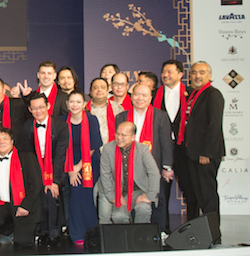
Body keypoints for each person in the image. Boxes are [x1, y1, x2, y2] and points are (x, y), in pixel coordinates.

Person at [115, 83, 173, 232]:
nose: (140, 98)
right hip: (128, 167)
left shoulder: (160, 116)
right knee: (133, 200)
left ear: (150, 98)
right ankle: (134, 234)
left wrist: (167, 167)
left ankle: (159, 232)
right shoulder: (122, 116)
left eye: (144, 95)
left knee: (157, 200)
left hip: (154, 166)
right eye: (136, 94)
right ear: (131, 96)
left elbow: (166, 142)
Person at [173, 61, 224, 229]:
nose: (197, 76)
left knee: (207, 196)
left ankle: (213, 232)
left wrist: (207, 153)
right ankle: (199, 232)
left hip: (205, 155)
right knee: (196, 195)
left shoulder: (213, 94)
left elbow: (214, 126)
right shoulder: (193, 94)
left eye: (201, 72)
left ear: (209, 75)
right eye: (194, 73)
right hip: (191, 153)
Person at [21, 93, 68, 246]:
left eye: (41, 107)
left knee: (51, 195)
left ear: (48, 106)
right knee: (38, 194)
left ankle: (55, 232)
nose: (38, 111)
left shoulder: (60, 125)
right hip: (36, 165)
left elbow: (61, 155)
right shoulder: (27, 126)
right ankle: (42, 232)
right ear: (29, 109)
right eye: (34, 108)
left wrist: (54, 180)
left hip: (55, 166)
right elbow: (28, 154)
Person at [0, 127, 41, 249]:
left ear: (12, 141)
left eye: (5, 138)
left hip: (23, 205)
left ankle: (30, 231)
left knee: (23, 243)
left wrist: (26, 205)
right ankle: (11, 230)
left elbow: (36, 183)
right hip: (4, 205)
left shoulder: (26, 157)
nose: (1, 142)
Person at [99, 122, 159, 224]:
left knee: (143, 209)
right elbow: (105, 174)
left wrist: (149, 196)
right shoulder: (108, 149)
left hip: (139, 191)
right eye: (117, 134)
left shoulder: (142, 149)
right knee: (118, 216)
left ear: (133, 137)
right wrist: (113, 196)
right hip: (120, 191)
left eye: (123, 135)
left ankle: (140, 239)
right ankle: (124, 239)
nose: (119, 138)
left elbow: (154, 173)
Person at [153, 59, 187, 233]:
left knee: (189, 189)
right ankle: (163, 229)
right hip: (162, 148)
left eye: (170, 72)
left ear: (180, 74)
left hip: (185, 149)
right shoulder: (154, 95)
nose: (165, 75)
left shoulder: (190, 94)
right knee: (161, 191)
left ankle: (194, 229)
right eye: (163, 71)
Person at [64, 90, 101, 245]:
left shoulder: (92, 120)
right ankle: (78, 232)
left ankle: (90, 232)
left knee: (83, 193)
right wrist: (70, 169)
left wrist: (77, 168)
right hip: (68, 163)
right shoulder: (61, 121)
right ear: (67, 104)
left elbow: (93, 145)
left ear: (84, 104)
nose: (75, 105)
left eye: (79, 102)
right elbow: (61, 146)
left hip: (89, 162)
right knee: (75, 191)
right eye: (72, 102)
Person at [87, 77, 125, 145]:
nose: (99, 90)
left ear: (107, 91)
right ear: (91, 92)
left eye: (103, 87)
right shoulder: (84, 109)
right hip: (91, 152)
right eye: (95, 88)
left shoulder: (118, 108)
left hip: (113, 151)